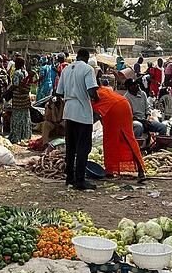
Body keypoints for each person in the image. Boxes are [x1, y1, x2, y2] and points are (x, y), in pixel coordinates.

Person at [56, 48, 99, 190]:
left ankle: (70, 177)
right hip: (82, 112)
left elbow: (59, 92)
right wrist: (97, 98)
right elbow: (92, 91)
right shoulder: (87, 69)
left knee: (71, 147)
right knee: (83, 147)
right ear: (86, 57)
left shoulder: (66, 70)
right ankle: (80, 180)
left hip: (69, 111)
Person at [92, 83, 146, 179]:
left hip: (115, 109)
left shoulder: (91, 92)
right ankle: (139, 169)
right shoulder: (102, 89)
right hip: (121, 106)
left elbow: (95, 114)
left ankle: (111, 170)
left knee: (113, 140)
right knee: (126, 138)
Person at [124, 79, 167, 145]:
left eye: (137, 84)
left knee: (162, 127)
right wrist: (142, 121)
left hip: (145, 119)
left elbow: (147, 109)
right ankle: (136, 147)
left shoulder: (143, 94)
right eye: (135, 85)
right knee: (138, 126)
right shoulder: (126, 98)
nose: (138, 85)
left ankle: (159, 146)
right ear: (130, 87)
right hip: (134, 121)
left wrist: (147, 118)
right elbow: (130, 116)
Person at [7, 57, 35, 144]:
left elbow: (15, 85)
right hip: (25, 98)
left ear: (17, 64)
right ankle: (25, 135)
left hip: (18, 98)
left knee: (16, 117)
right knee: (25, 116)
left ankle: (16, 137)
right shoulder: (26, 72)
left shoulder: (16, 73)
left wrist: (8, 91)